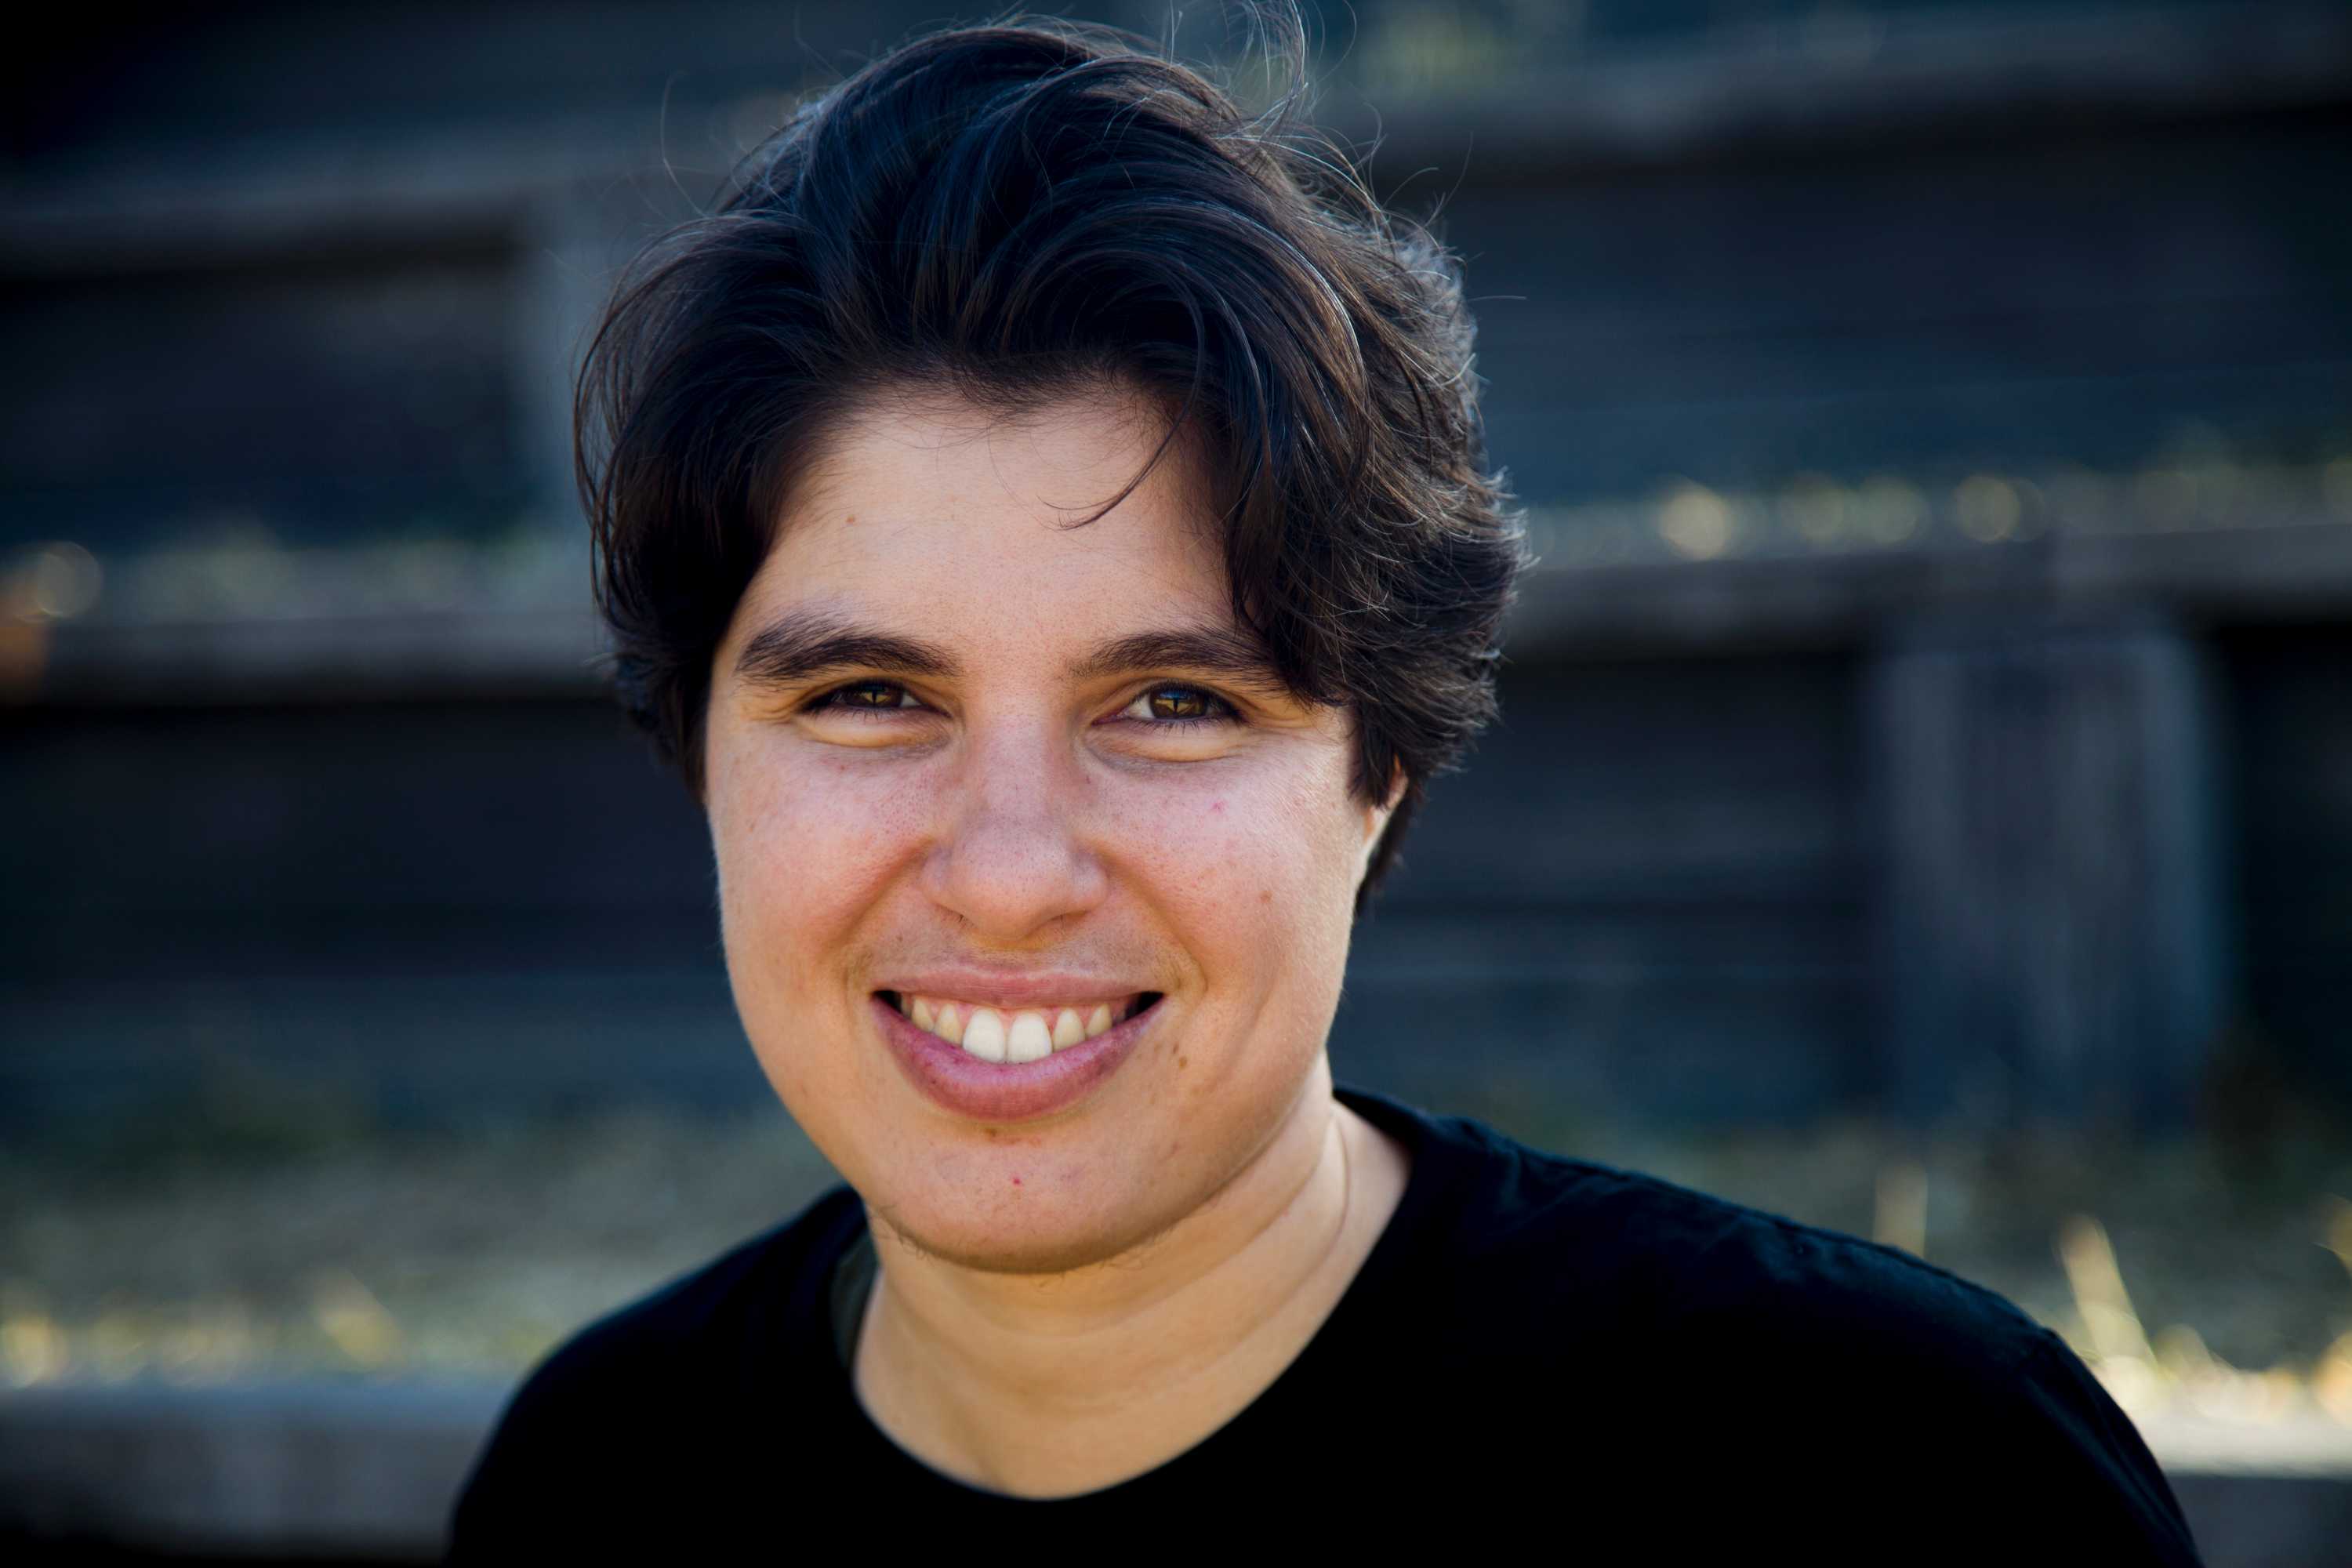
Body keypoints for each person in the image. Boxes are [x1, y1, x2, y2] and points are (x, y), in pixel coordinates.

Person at [448, 11, 2202, 1559]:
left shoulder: (1904, 1473)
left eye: (1173, 703)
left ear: (1379, 772)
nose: (1007, 874)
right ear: (702, 753)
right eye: (870, 696)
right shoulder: (595, 1480)